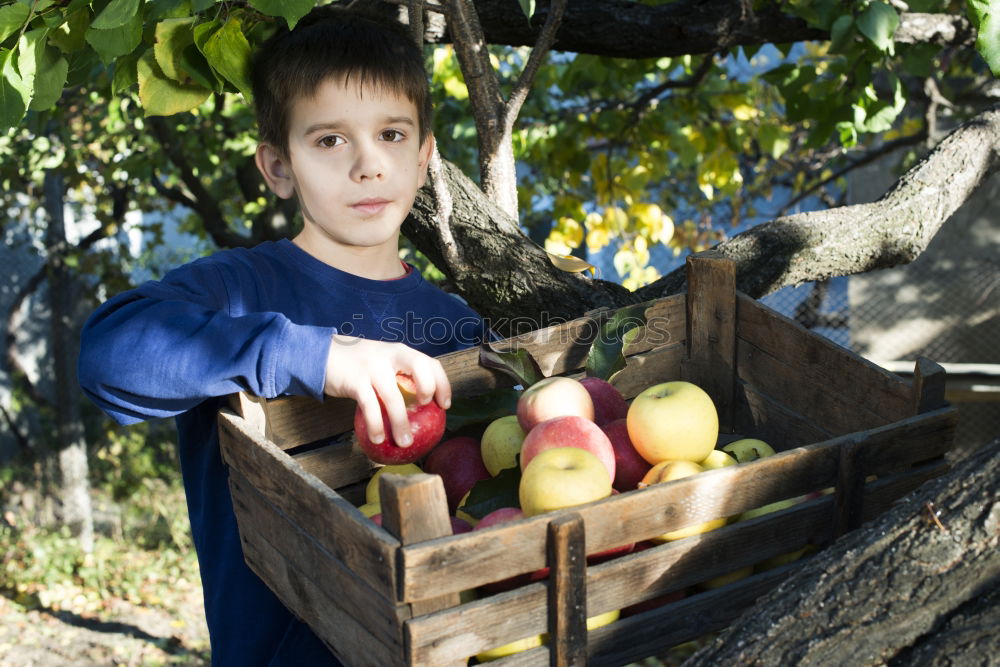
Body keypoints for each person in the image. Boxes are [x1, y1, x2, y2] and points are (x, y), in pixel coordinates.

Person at [78, 7, 487, 665]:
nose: (367, 165)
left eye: (390, 133)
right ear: (277, 166)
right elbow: (108, 354)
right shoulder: (244, 288)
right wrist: (315, 354)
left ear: (424, 156)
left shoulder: (458, 327)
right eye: (329, 140)